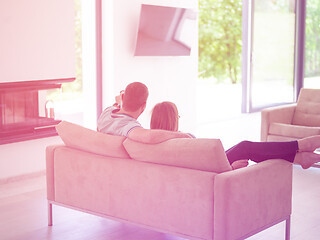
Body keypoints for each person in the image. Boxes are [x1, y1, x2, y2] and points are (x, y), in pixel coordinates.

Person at [150, 101, 320, 170]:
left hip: (210, 164)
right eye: (177, 116)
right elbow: (198, 168)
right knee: (246, 147)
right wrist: (229, 169)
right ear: (172, 119)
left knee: (248, 148)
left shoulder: (153, 142)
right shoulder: (183, 139)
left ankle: (299, 157)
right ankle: (300, 146)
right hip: (214, 168)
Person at [97, 82, 192, 144]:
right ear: (144, 106)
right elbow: (149, 137)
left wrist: (119, 102)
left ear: (123, 98)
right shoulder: (128, 126)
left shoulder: (107, 112)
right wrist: (182, 135)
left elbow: (116, 105)